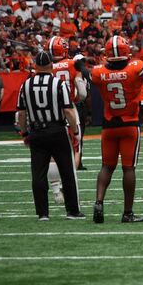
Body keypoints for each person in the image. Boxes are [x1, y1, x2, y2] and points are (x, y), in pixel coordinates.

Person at [90, 35, 143, 224]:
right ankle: (127, 212)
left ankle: (99, 202)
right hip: (129, 124)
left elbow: (91, 74)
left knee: (106, 166)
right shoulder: (134, 67)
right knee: (128, 168)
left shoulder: (98, 72)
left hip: (109, 124)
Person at [16, 51, 84, 221]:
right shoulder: (58, 84)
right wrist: (75, 131)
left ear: (36, 66)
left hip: (36, 132)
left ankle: (42, 213)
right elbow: (68, 110)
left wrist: (24, 133)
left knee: (38, 174)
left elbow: (22, 114)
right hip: (57, 130)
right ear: (51, 66)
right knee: (67, 172)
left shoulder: (25, 85)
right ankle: (72, 211)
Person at [45, 36, 88, 201]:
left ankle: (56, 191)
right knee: (75, 148)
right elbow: (82, 92)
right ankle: (65, 184)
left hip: (50, 113)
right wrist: (77, 99)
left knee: (51, 153)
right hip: (69, 108)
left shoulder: (45, 67)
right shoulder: (72, 64)